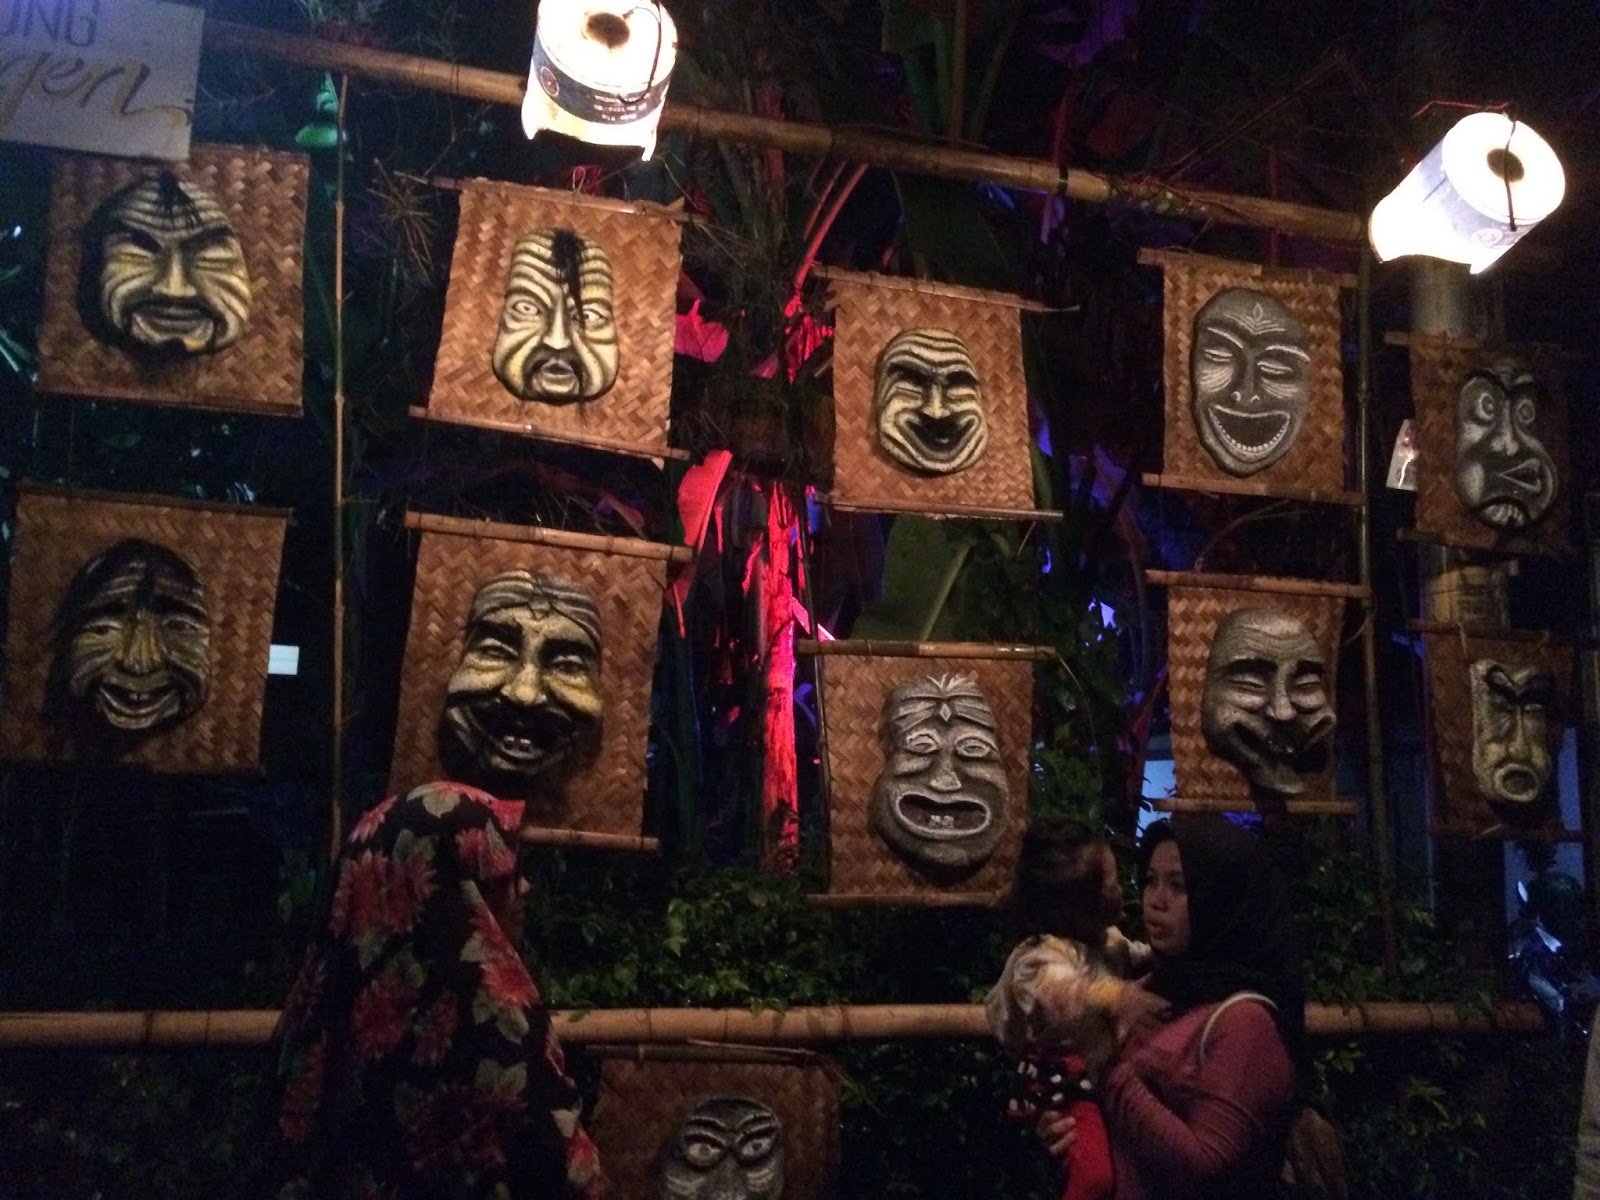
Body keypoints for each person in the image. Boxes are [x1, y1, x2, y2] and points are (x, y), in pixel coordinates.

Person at [247, 780, 604, 1199]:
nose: (524, 887)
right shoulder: (492, 1039)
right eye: (504, 873)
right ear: (444, 887)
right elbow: (565, 1170)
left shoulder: (324, 1028)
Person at [1041, 814, 1304, 1200]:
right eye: (1150, 880)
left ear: (1221, 897)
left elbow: (1204, 1167)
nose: (1156, 900)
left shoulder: (1246, 1022)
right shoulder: (1146, 984)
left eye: (1178, 886)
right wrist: (1067, 1129)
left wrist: (1109, 1070)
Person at [984, 825, 1157, 1200]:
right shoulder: (1038, 959)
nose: (1120, 889)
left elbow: (1136, 955)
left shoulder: (1107, 939)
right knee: (1094, 1178)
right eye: (1110, 883)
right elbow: (1060, 992)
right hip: (1064, 1081)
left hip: (1096, 1073)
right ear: (1075, 905)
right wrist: (1118, 996)